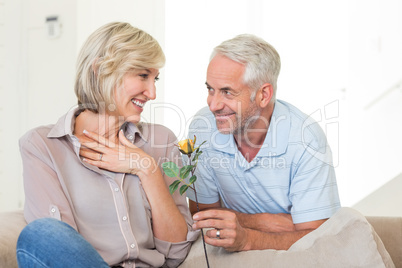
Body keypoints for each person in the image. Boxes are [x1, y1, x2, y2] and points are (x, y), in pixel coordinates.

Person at [17, 22, 198, 268]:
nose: (153, 92)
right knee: (40, 234)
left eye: (155, 78)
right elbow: (58, 246)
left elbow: (176, 251)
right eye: (143, 76)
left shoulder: (160, 141)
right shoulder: (43, 146)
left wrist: (148, 169)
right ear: (101, 70)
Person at [186, 34, 341, 252]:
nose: (213, 105)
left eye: (227, 92)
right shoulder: (203, 127)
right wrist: (263, 222)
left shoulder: (306, 140)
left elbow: (317, 240)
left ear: (264, 94)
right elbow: (202, 216)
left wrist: (247, 237)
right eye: (210, 89)